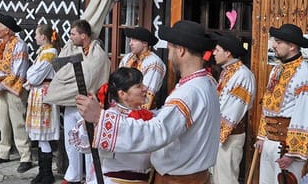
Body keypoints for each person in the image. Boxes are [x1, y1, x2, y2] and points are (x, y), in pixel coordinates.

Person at [76, 20, 220, 184]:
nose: (169, 55)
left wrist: (99, 118)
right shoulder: (207, 83)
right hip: (195, 175)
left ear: (181, 50)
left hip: (178, 180)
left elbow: (157, 132)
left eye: (170, 49)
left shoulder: (189, 92)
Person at [43, 19, 110, 184]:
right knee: (71, 141)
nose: (70, 37)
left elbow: (90, 77)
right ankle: (73, 175)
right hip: (70, 103)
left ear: (83, 36)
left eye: (73, 34)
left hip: (88, 105)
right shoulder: (73, 49)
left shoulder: (97, 54)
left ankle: (90, 178)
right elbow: (62, 71)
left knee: (88, 142)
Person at [254, 24, 308, 184]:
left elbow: (304, 114)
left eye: (278, 42)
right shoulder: (277, 70)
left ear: (292, 46)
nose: (273, 45)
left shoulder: (306, 74)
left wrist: (292, 152)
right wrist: (262, 136)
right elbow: (268, 103)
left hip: (286, 145)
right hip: (270, 142)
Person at [70, 68, 153, 184]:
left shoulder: (151, 116)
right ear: (122, 94)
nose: (145, 88)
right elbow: (86, 146)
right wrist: (87, 125)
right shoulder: (108, 118)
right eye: (139, 86)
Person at [0, 12, 33, 173]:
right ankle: (3, 152)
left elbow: (18, 70)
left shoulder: (19, 45)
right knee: (3, 121)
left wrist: (2, 86)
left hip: (13, 88)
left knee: (18, 122)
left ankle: (25, 156)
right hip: (0, 86)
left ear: (7, 29)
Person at [211, 34, 255, 184]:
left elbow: (233, 110)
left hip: (228, 137)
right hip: (219, 135)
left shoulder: (243, 75)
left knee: (226, 179)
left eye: (217, 50)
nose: (214, 53)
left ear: (228, 53)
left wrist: (216, 135)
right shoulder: (227, 72)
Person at [24, 24, 61, 184]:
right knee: (40, 137)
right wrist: (31, 74)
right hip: (38, 94)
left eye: (36, 34)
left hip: (44, 95)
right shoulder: (43, 52)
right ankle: (42, 172)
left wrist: (30, 75)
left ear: (43, 36)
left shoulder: (50, 53)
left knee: (44, 135)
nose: (34, 37)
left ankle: (47, 174)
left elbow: (34, 76)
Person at [119, 27, 165, 109]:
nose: (130, 43)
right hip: (122, 106)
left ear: (145, 43)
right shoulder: (127, 58)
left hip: (142, 110)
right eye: (130, 40)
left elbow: (147, 93)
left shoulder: (154, 62)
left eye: (134, 40)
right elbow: (119, 81)